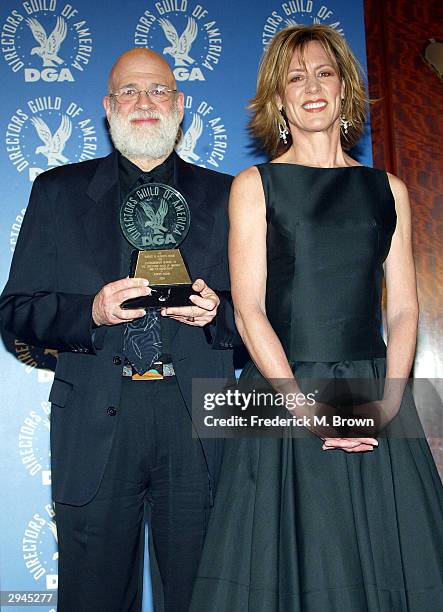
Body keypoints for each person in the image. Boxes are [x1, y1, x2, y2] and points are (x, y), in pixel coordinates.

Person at [189, 25, 443, 611]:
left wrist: (386, 406)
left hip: (370, 394)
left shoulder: (389, 189)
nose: (311, 87)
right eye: (294, 77)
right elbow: (249, 310)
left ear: (344, 87)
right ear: (278, 98)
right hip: (280, 393)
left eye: (324, 73)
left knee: (381, 568)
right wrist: (299, 405)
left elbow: (404, 308)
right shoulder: (254, 186)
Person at [0, 48, 237, 612]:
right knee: (95, 598)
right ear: (108, 108)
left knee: (207, 596)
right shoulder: (57, 192)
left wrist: (218, 313)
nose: (144, 102)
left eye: (157, 90)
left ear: (180, 105)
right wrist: (91, 312)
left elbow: (270, 310)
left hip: (199, 420)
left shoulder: (232, 195)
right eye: (128, 91)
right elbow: (15, 309)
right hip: (96, 419)